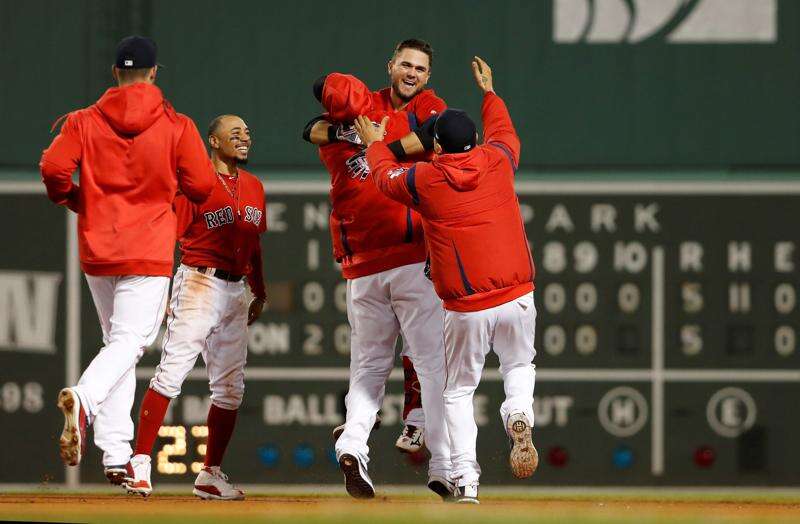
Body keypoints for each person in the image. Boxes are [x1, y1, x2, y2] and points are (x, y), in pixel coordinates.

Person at [356, 56, 539, 504]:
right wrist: (489, 94)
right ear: (475, 141)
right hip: (518, 295)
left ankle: (467, 480)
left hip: (467, 305)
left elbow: (381, 177)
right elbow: (504, 132)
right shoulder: (497, 161)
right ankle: (518, 412)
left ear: (435, 147)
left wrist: (376, 144)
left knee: (458, 391)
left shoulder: (428, 180)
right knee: (519, 366)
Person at [40, 36, 215, 485]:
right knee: (129, 344)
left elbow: (54, 170)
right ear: (154, 73)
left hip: (99, 249)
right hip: (149, 248)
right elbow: (202, 187)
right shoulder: (177, 125)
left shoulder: (83, 121)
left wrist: (80, 200)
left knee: (116, 344)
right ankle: (84, 398)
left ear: (115, 73)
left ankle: (115, 452)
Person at [301, 39, 452, 499]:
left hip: (362, 264)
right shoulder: (363, 114)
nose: (412, 72)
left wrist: (366, 137)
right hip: (406, 257)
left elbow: (313, 126)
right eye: (405, 64)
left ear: (427, 76)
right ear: (389, 66)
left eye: (419, 67)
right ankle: (445, 467)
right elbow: (314, 127)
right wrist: (374, 139)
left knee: (367, 368)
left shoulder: (364, 117)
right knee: (432, 364)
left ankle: (352, 444)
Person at [125, 115, 267, 499]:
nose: (244, 137)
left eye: (247, 131)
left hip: (237, 289)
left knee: (230, 390)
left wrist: (259, 290)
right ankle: (139, 462)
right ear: (213, 140)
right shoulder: (195, 184)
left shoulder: (254, 186)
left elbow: (253, 246)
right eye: (234, 132)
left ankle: (209, 474)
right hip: (200, 281)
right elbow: (167, 236)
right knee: (171, 373)